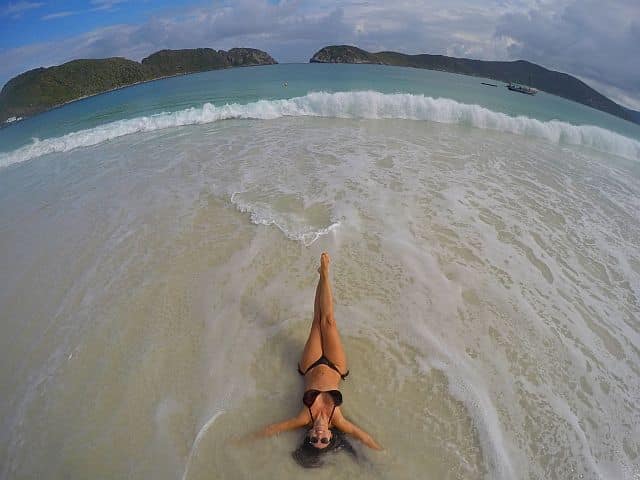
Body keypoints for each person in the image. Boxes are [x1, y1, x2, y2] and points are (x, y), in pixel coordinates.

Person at [252, 252, 382, 467]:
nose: (319, 436)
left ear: (309, 435)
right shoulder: (337, 419)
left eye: (314, 440)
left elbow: (272, 429)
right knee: (329, 321)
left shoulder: (304, 417)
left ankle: (321, 275)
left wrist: (243, 440)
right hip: (336, 366)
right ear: (331, 436)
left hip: (310, 366)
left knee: (316, 321)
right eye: (324, 440)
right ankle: (325, 274)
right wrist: (385, 453)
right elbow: (363, 437)